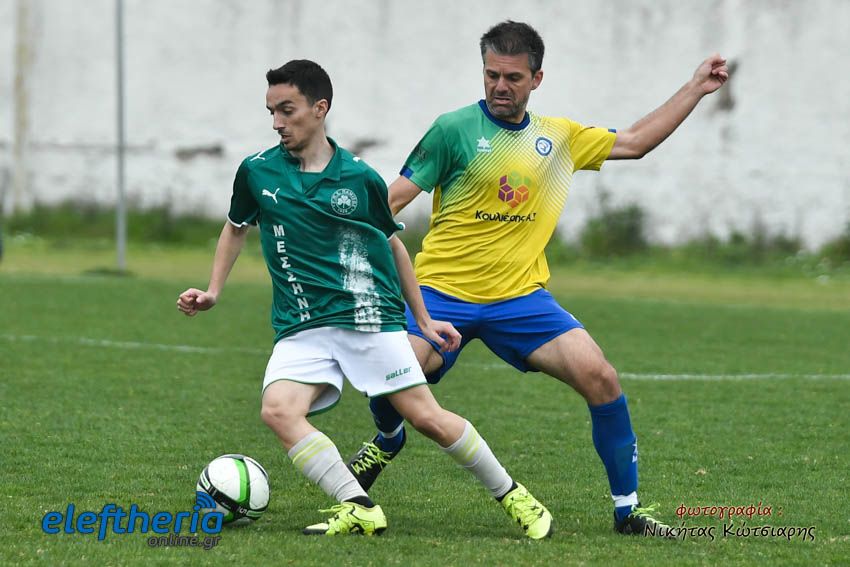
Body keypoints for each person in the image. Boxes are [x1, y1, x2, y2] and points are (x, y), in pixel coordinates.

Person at [347, 21, 729, 537]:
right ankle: (389, 438)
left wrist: (695, 88)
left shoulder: (559, 138)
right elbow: (391, 202)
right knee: (395, 373)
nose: (500, 87)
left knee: (601, 377)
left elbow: (636, 143)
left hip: (520, 299)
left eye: (513, 77)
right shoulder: (453, 130)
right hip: (441, 293)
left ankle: (629, 510)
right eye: (491, 75)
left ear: (536, 79)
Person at [176, 59, 552, 538]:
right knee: (278, 409)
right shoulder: (256, 171)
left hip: (368, 319)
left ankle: (515, 496)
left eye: (287, 110)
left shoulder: (359, 178)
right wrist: (213, 290)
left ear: (319, 108)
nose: (277, 123)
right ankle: (359, 506)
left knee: (427, 419)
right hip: (302, 326)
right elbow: (235, 228)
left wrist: (424, 320)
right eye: (271, 112)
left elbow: (394, 246)